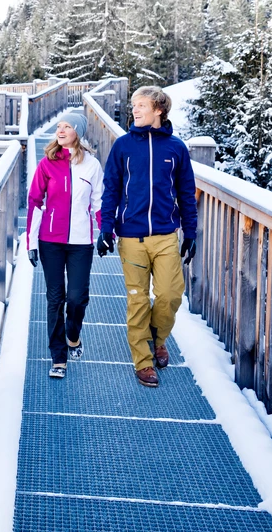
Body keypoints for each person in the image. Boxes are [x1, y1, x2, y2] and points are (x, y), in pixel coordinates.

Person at [97, 86, 198, 388]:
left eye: (141, 105)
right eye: (133, 106)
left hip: (167, 235)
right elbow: (111, 188)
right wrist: (106, 228)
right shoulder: (123, 146)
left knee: (169, 295)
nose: (135, 110)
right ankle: (143, 361)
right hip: (131, 237)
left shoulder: (176, 148)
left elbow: (186, 194)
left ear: (159, 109)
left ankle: (158, 338)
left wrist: (190, 233)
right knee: (138, 300)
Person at [26, 112, 105, 379]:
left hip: (81, 242)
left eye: (67, 126)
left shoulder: (92, 165)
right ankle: (58, 357)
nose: (60, 130)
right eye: (59, 126)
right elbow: (35, 202)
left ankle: (73, 336)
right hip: (51, 241)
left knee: (77, 298)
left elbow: (98, 203)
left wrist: (105, 231)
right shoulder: (47, 164)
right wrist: (31, 241)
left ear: (78, 132)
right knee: (55, 298)